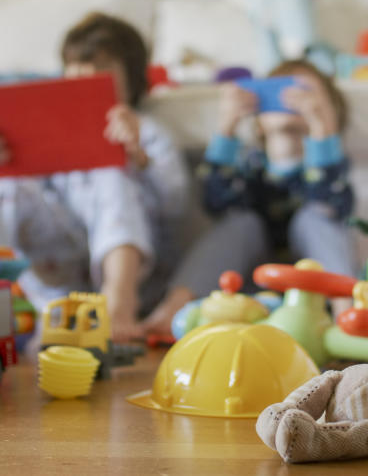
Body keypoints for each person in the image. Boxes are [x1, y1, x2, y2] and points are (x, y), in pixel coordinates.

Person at [0, 13, 188, 342]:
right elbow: (33, 199)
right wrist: (2, 163)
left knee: (111, 174)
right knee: (8, 189)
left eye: (102, 69)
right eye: (77, 68)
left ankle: (119, 303)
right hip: (62, 261)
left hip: (129, 260)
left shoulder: (146, 130)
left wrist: (137, 156)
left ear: (131, 81)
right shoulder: (51, 128)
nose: (87, 76)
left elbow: (175, 204)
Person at [143, 59, 355, 334]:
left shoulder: (331, 166)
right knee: (240, 223)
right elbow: (216, 202)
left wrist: (322, 130)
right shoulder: (249, 163)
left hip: (316, 298)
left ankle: (348, 315)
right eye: (280, 93)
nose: (294, 101)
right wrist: (226, 127)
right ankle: (172, 311)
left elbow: (331, 202)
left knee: (317, 217)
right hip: (250, 288)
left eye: (306, 94)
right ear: (259, 120)